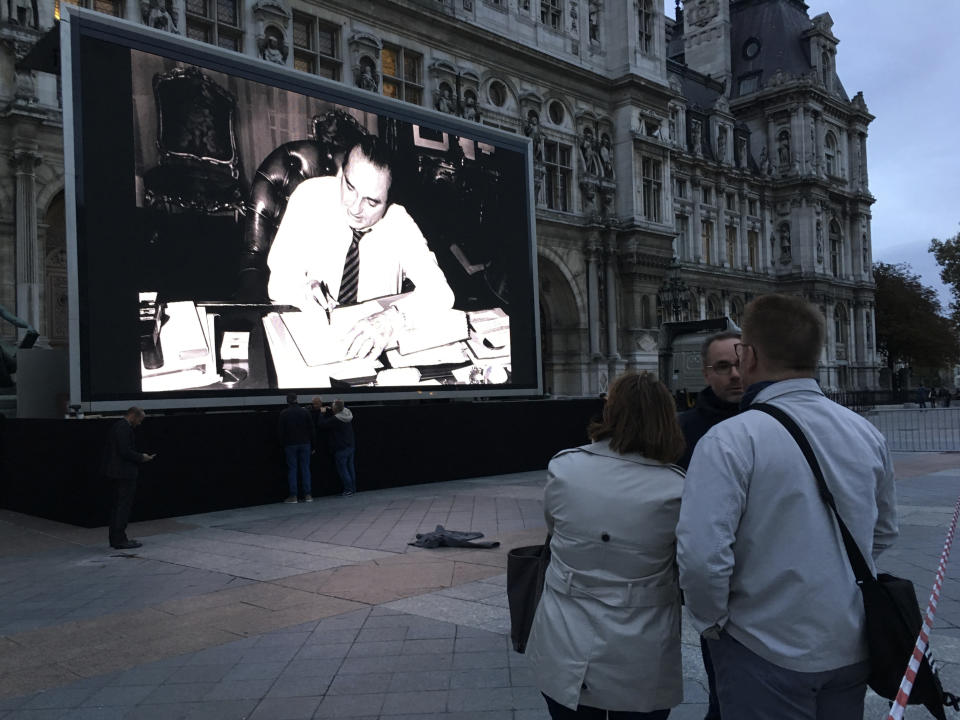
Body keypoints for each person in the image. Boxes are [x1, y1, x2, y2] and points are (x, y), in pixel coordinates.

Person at [677, 294, 898, 720]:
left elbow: (703, 556)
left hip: (763, 646)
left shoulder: (731, 440)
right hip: (850, 642)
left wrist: (713, 622)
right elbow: (884, 531)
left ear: (749, 355)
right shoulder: (865, 432)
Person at [525, 371, 686, 719]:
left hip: (566, 632)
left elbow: (553, 532)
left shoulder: (565, 467)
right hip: (642, 641)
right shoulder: (676, 489)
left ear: (609, 412)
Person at [266, 135, 455, 360]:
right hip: (312, 343)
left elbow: (442, 294)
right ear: (340, 172)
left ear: (389, 200)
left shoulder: (399, 222)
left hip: (374, 351)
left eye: (372, 201)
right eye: (350, 187)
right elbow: (278, 283)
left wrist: (392, 319)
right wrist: (303, 290)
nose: (355, 207)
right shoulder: (308, 197)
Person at [675, 330, 743, 720]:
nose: (734, 375)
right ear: (706, 373)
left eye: (738, 365)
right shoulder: (683, 430)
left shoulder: (773, 421)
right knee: (723, 690)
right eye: (722, 367)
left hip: (774, 588)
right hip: (716, 586)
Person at [103, 407, 155, 549]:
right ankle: (120, 539)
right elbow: (125, 451)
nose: (139, 423)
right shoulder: (123, 428)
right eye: (139, 419)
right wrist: (141, 457)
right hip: (123, 473)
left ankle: (116, 538)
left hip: (116, 472)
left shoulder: (117, 427)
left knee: (118, 506)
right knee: (122, 506)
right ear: (133, 415)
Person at [315, 398, 356, 496]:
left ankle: (348, 489)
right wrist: (332, 407)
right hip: (350, 445)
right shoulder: (347, 413)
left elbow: (321, 424)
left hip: (341, 447)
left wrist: (322, 413)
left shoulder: (336, 419)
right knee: (350, 468)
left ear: (336, 408)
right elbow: (341, 407)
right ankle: (353, 488)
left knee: (343, 470)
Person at [278, 393, 314, 503]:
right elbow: (312, 429)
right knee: (305, 468)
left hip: (290, 445)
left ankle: (293, 496)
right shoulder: (305, 412)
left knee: (292, 469)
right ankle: (308, 495)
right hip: (305, 443)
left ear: (287, 401)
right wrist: (313, 445)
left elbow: (281, 432)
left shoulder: (284, 413)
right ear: (297, 400)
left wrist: (282, 444)